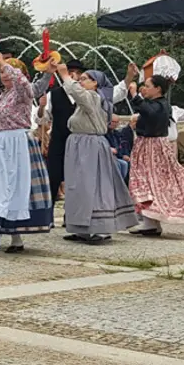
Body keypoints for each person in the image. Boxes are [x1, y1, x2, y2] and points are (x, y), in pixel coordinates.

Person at [0, 55, 53, 252]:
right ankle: (16, 239)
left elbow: (22, 82)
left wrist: (4, 64)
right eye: (2, 72)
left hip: (16, 142)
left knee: (12, 187)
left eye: (8, 71)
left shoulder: (23, 94)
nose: (4, 75)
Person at [55, 67, 138, 241]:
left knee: (94, 186)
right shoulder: (86, 102)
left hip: (90, 146)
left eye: (85, 79)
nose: (81, 81)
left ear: (95, 83)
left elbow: (78, 93)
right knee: (78, 187)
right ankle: (80, 227)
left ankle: (102, 228)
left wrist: (64, 74)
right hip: (79, 146)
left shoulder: (94, 97)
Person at [126, 75, 184, 235]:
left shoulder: (161, 105)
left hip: (153, 147)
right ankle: (150, 223)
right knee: (145, 182)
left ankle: (152, 222)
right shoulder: (156, 104)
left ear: (158, 88)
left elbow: (150, 113)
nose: (143, 88)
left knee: (150, 181)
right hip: (146, 145)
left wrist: (135, 95)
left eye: (147, 85)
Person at [34, 58, 86, 204]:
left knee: (75, 179)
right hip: (58, 141)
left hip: (77, 142)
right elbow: (42, 120)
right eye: (71, 72)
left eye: (78, 73)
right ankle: (47, 214)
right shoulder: (54, 94)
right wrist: (41, 108)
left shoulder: (84, 95)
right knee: (53, 177)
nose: (74, 76)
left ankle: (70, 215)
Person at [106, 114, 133, 183]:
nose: (114, 124)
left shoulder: (117, 133)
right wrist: (122, 155)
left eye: (116, 122)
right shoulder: (104, 134)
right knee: (123, 164)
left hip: (119, 155)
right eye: (113, 121)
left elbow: (123, 145)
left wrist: (126, 154)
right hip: (111, 157)